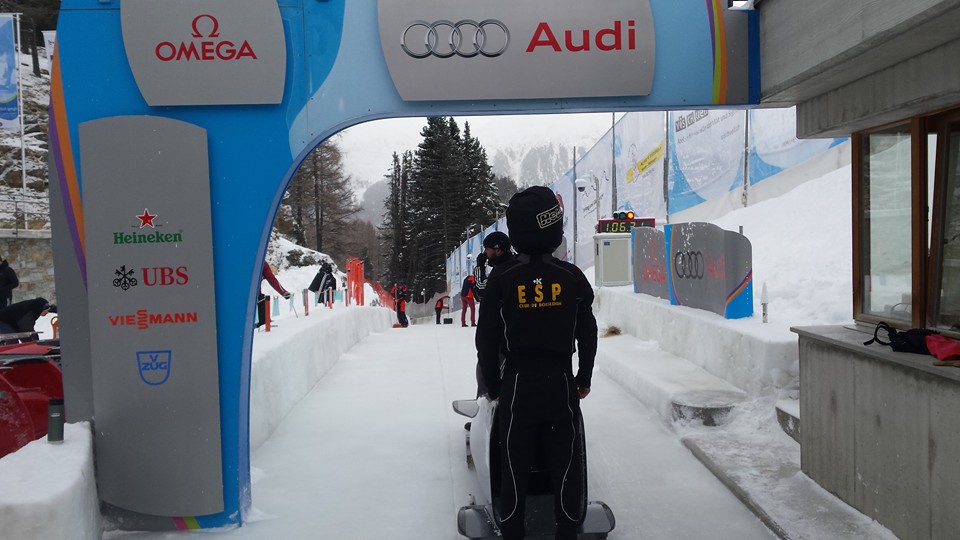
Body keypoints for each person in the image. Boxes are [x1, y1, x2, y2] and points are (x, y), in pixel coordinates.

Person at [475, 186, 598, 540]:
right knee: (567, 465)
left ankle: (513, 530)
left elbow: (486, 338)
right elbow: (587, 335)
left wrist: (495, 387)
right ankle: (567, 532)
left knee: (514, 465)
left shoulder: (502, 278)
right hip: (560, 382)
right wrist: (583, 377)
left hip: (517, 383)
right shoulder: (572, 276)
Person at [472, 231, 515, 397]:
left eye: (488, 249)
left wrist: (479, 267)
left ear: (498, 250)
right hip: (508, 329)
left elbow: (482, 289)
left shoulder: (502, 270)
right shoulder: (511, 264)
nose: (485, 253)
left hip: (501, 331)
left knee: (486, 369)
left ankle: (487, 404)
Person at [257, 261, 291, 329]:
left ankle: (264, 323)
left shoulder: (263, 264)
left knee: (261, 298)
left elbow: (271, 279)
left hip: (257, 295)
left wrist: (283, 292)